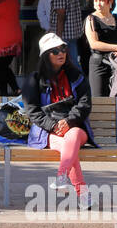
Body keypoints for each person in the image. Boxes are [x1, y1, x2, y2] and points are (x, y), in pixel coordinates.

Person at [21, 33, 99, 208]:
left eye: (63, 48)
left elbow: (85, 104)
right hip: (46, 131)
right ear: (45, 55)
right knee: (67, 148)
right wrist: (53, 126)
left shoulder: (77, 76)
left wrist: (69, 122)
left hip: (75, 127)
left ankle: (61, 177)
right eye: (55, 50)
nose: (60, 53)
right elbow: (32, 111)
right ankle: (83, 195)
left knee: (72, 137)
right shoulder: (34, 80)